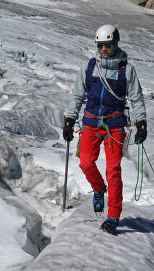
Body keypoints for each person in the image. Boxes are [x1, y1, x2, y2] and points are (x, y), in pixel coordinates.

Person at [63, 24, 147, 235]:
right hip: (91, 123)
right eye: (100, 45)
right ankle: (99, 188)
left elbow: (136, 98)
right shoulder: (90, 67)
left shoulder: (126, 70)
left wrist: (141, 122)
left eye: (107, 45)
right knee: (85, 162)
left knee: (113, 171)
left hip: (115, 126)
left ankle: (113, 215)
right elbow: (77, 95)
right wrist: (69, 119)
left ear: (115, 44)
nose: (103, 49)